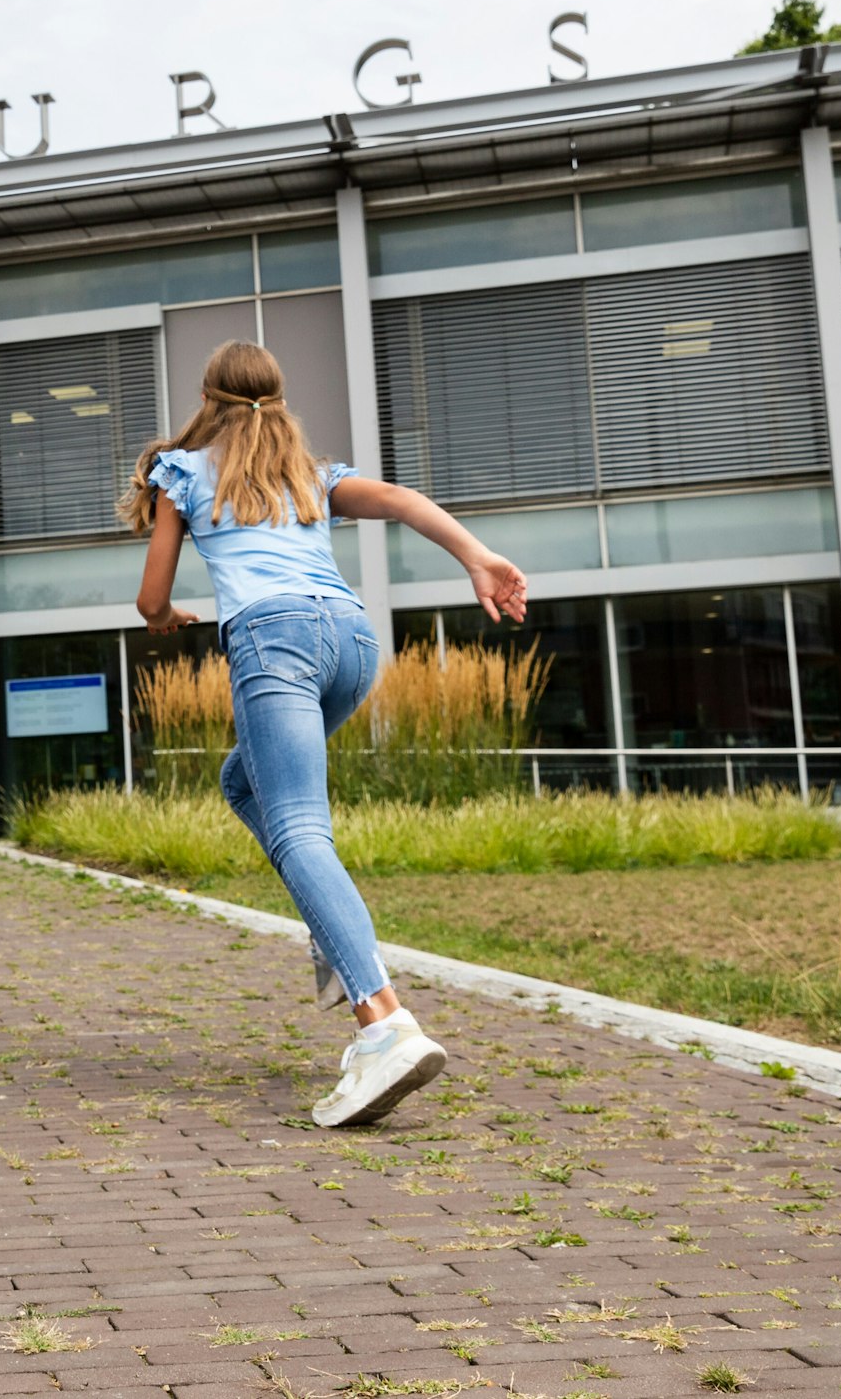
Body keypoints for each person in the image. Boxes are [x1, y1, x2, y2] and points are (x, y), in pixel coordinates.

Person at [124, 341, 528, 1129]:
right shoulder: (309, 475)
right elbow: (407, 502)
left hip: (274, 641)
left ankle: (383, 1026)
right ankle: (334, 937)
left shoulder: (183, 474)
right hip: (351, 641)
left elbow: (150, 599)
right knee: (244, 784)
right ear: (278, 400)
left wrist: (168, 619)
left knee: (300, 827)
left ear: (208, 399)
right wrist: (478, 557)